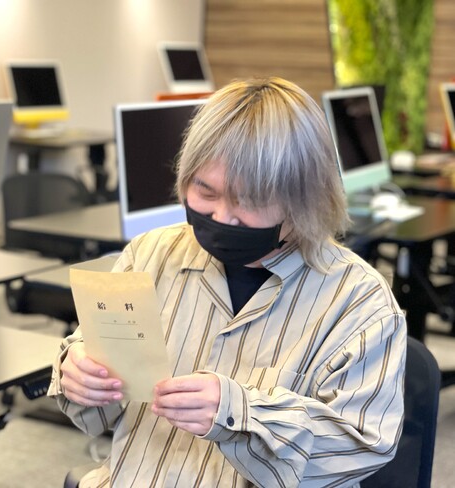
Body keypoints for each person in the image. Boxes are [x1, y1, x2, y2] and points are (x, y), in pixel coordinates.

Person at [48, 77, 406, 487]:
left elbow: (362, 446)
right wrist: (79, 375)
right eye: (205, 191)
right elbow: (97, 405)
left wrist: (240, 413)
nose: (221, 217)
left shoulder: (360, 304)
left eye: (248, 200)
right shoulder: (150, 255)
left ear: (305, 199)